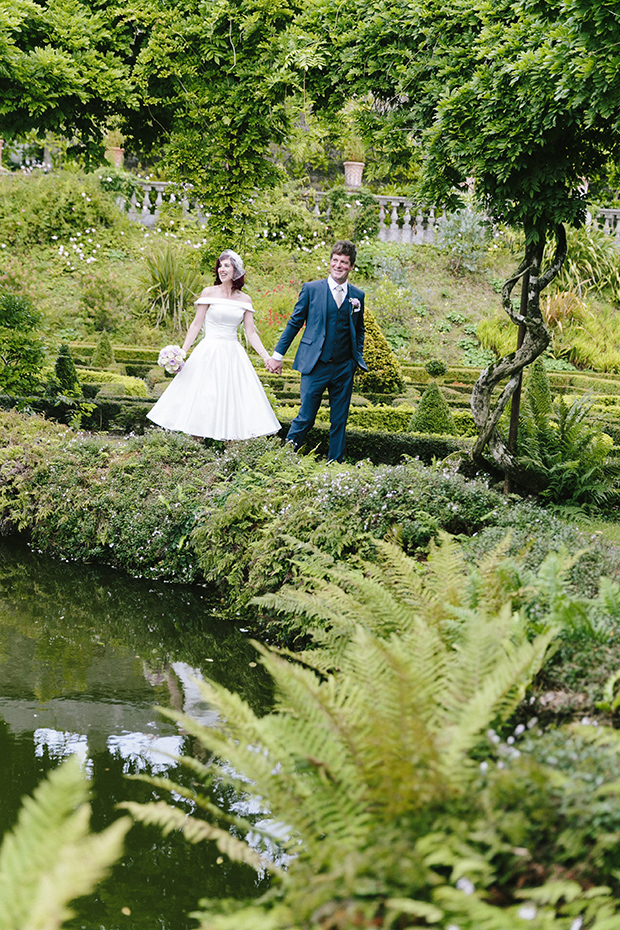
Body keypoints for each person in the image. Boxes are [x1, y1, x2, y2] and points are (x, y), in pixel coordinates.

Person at [147, 249, 280, 440]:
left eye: (227, 266)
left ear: (236, 271)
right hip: (208, 351)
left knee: (233, 400)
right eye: (220, 266)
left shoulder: (244, 300)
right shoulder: (208, 293)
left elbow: (251, 332)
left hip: (233, 354)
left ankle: (229, 451)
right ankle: (195, 447)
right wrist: (182, 352)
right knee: (202, 397)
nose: (221, 269)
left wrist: (266, 357)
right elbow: (196, 324)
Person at [268, 240, 366, 463]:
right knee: (306, 417)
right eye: (335, 260)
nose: (338, 265)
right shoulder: (312, 289)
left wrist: (355, 358)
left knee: (339, 420)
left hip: (344, 367)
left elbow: (360, 329)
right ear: (330, 262)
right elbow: (295, 323)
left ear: (351, 266)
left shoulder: (357, 296)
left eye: (344, 262)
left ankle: (335, 465)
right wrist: (277, 355)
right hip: (315, 365)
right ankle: (284, 458)